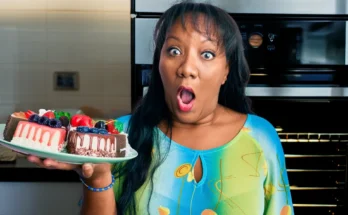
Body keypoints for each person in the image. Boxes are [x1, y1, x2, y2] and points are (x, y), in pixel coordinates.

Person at [28, 1, 294, 215]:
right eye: (174, 51)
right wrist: (97, 180)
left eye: (207, 54)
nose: (187, 68)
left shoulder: (260, 138)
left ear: (226, 70)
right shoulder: (122, 136)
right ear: (159, 63)